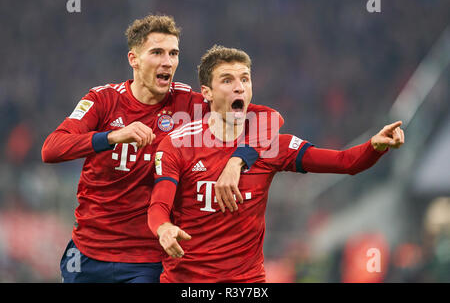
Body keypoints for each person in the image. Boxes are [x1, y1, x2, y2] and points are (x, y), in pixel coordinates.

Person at [41, 15, 279, 283]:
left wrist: (238, 161)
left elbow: (267, 119)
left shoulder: (188, 105)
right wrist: (112, 136)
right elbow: (52, 149)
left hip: (148, 260)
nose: (168, 61)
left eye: (173, 53)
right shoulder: (102, 100)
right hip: (87, 251)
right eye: (157, 52)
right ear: (134, 59)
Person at [147, 45, 405, 282]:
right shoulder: (178, 144)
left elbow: (345, 162)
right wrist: (164, 228)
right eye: (227, 80)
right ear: (207, 92)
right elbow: (159, 204)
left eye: (245, 79)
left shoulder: (271, 145)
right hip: (187, 281)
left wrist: (375, 146)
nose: (239, 87)